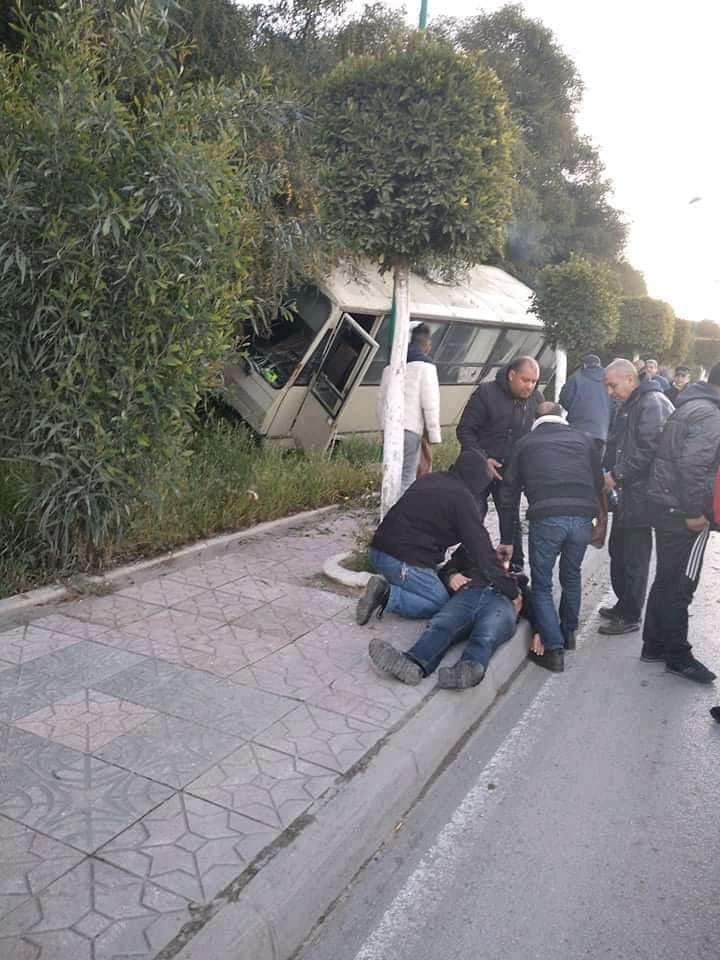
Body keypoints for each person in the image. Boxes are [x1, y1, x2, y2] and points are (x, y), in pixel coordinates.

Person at [498, 402, 603, 673]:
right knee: (571, 575)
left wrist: (507, 538)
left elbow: (508, 494)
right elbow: (599, 483)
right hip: (581, 518)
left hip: (546, 518)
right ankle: (568, 634)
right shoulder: (584, 439)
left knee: (542, 584)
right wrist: (599, 520)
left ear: (535, 420)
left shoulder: (524, 443)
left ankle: (554, 650)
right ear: (562, 417)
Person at [357, 450, 516, 625]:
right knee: (437, 602)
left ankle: (396, 583)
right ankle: (385, 594)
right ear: (478, 480)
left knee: (430, 578)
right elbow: (481, 549)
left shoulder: (431, 479)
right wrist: (512, 591)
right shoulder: (462, 499)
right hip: (401, 560)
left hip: (378, 550)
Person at [641, 364, 720, 683]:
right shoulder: (710, 414)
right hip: (683, 512)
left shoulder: (690, 404)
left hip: (665, 505)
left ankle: (653, 644)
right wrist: (694, 512)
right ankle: (678, 656)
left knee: (666, 578)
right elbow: (692, 466)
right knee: (681, 585)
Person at [368, 545, 530, 689]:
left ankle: (469, 668)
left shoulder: (518, 579)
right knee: (441, 625)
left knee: (486, 635)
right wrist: (451, 576)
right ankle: (412, 663)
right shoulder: (472, 552)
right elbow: (445, 570)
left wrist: (540, 632)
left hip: (502, 604)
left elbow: (535, 606)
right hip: (469, 594)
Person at [600, 359, 674, 636]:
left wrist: (616, 474)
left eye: (613, 385)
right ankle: (624, 604)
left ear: (630, 380)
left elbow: (648, 450)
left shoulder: (651, 403)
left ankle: (630, 614)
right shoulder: (635, 403)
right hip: (629, 492)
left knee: (634, 556)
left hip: (642, 494)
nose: (610, 392)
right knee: (618, 551)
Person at [456, 356, 543, 571]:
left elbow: (539, 436)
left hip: (511, 471)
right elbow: (465, 430)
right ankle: (466, 565)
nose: (530, 386)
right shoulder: (486, 393)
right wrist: (482, 459)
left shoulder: (536, 399)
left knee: (510, 518)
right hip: (479, 467)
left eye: (534, 381)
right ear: (512, 375)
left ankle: (515, 567)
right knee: (474, 515)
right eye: (525, 380)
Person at [378, 322, 441, 496]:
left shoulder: (390, 367)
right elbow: (430, 403)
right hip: (411, 429)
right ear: (426, 345)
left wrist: (383, 431)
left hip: (391, 428)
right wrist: (433, 435)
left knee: (390, 476)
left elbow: (381, 401)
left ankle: (388, 507)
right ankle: (402, 510)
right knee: (407, 476)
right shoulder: (426, 367)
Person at [558, 354, 614, 449]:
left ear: (584, 365)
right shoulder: (609, 380)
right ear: (599, 364)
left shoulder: (576, 377)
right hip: (601, 433)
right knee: (596, 458)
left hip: (577, 430)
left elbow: (564, 399)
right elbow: (614, 405)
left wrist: (574, 409)